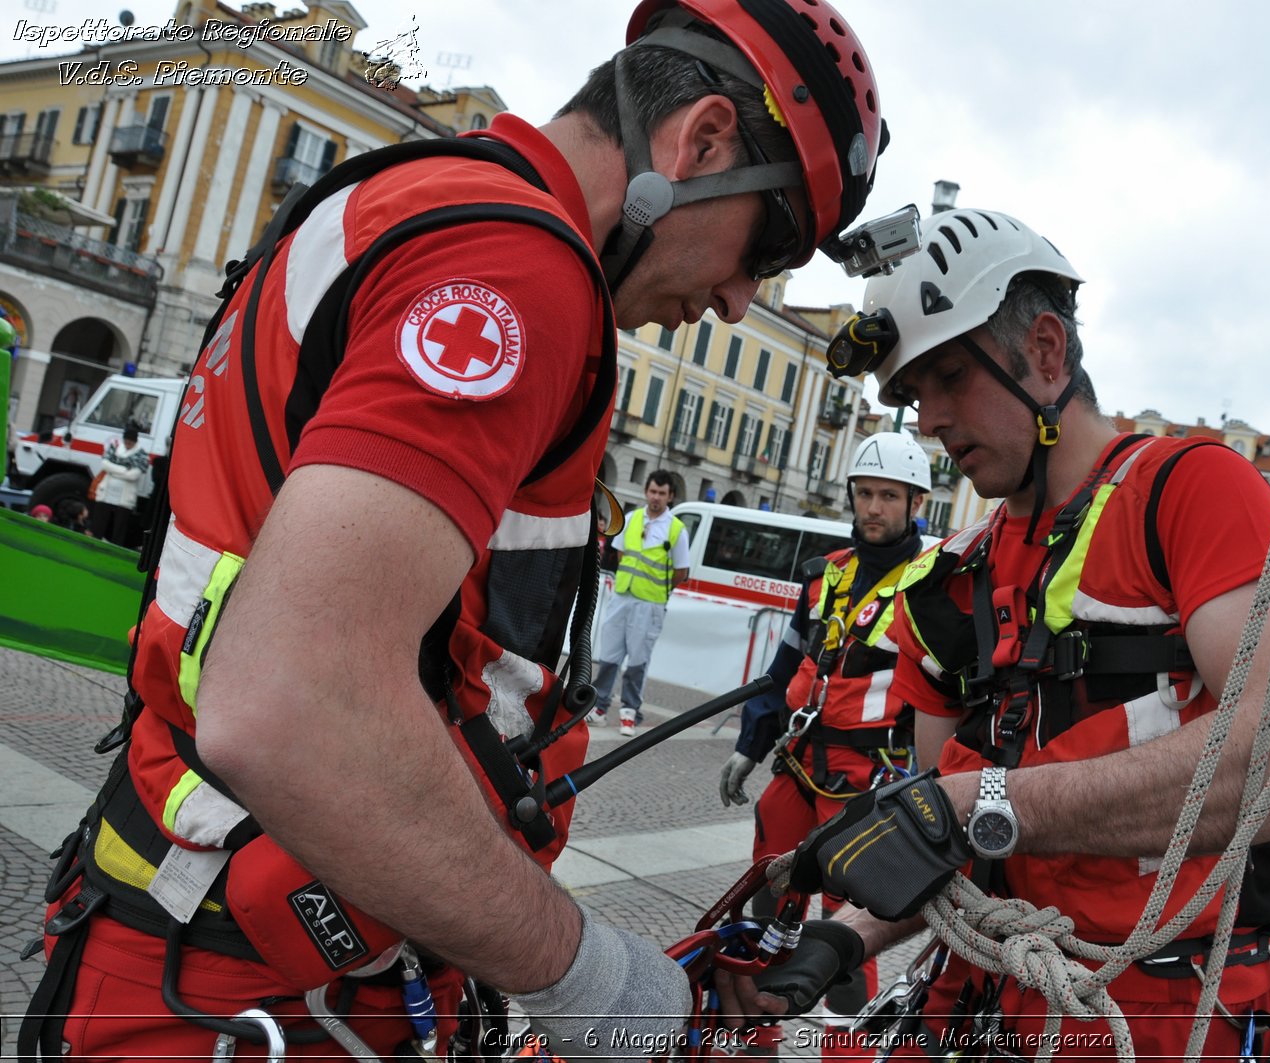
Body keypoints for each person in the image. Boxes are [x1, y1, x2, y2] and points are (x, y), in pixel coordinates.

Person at [19, 1, 889, 1057]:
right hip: (258, 989)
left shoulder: (404, 198)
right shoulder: (517, 271)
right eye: (774, 240)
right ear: (698, 142)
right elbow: (292, 699)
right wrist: (581, 975)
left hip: (198, 920)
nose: (742, 301)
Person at [722, 209, 1270, 1059]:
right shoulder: (947, 585)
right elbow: (940, 836)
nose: (931, 420)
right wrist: (842, 937)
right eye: (914, 395)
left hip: (1157, 1006)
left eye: (948, 377)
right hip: (981, 988)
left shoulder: (1190, 493)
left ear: (1046, 351)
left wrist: (975, 806)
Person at [719, 430, 930, 1060]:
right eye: (864, 493)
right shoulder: (822, 580)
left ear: (915, 502)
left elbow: (943, 698)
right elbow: (781, 673)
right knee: (766, 890)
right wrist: (748, 747)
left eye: (888, 496)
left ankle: (847, 1045)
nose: (872, 508)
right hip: (799, 761)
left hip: (868, 773)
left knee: (848, 921)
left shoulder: (934, 585)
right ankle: (753, 1031)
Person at [589, 470, 690, 736]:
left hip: (650, 603)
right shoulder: (632, 519)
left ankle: (629, 712)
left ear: (670, 497)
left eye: (662, 493)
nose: (656, 497)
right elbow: (621, 554)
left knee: (637, 661)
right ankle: (599, 707)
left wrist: (658, 591)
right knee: (609, 655)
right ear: (646, 492)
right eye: (653, 491)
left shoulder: (677, 530)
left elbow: (681, 571)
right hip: (623, 596)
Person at [88, 421, 148, 549]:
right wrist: (124, 470)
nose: (127, 444)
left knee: (119, 527)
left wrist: (113, 471)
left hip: (125, 498)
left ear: (135, 442)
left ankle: (115, 548)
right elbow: (104, 464)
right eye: (126, 441)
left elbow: (134, 475)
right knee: (99, 522)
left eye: (130, 443)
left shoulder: (142, 454)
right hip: (106, 492)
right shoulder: (114, 447)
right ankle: (94, 543)